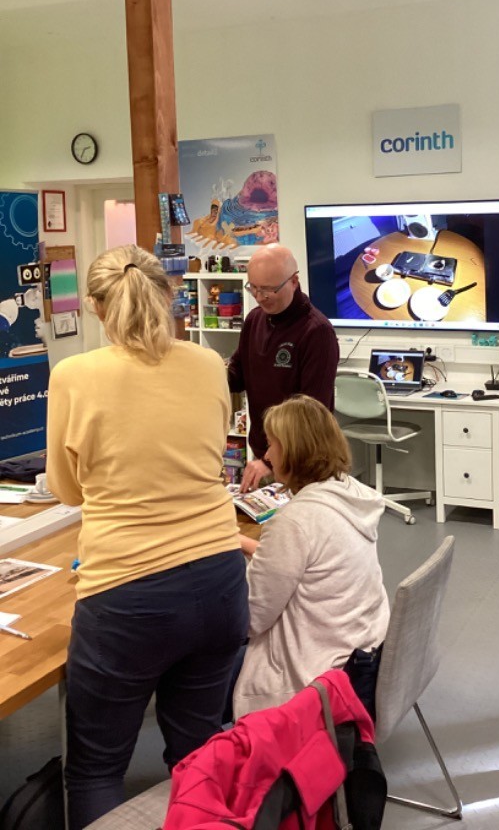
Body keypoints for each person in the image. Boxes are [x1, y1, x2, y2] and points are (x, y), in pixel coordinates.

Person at [46, 245, 249, 830]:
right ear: (168, 295)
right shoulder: (207, 363)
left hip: (126, 594)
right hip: (219, 579)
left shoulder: (74, 376)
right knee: (199, 751)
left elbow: (67, 490)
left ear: (94, 306)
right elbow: (210, 452)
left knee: (95, 769)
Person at [232, 395, 389, 718]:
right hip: (361, 658)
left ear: (294, 451)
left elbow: (251, 619)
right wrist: (244, 543)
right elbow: (310, 563)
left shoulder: (293, 523)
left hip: (315, 682)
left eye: (271, 445)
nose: (267, 455)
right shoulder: (352, 495)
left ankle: (212, 749)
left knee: (194, 674)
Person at [227, 243, 339, 491]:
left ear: (294, 282)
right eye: (253, 288)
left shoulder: (317, 331)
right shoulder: (254, 319)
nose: (259, 297)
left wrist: (270, 461)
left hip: (302, 461)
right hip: (266, 454)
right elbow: (237, 376)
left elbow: (311, 414)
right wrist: (206, 372)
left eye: (268, 289)